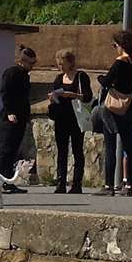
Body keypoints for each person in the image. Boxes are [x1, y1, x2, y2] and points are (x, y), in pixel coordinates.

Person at [96, 31, 132, 196]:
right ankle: (129, 185)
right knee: (129, 147)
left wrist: (101, 78)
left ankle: (109, 185)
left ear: (120, 45)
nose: (114, 49)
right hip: (129, 108)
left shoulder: (119, 63)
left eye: (114, 45)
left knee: (110, 145)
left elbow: (107, 82)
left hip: (113, 108)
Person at [0, 44, 35, 191]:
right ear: (22, 60)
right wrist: (10, 112)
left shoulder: (25, 75)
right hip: (9, 117)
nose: (32, 66)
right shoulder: (11, 72)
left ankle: (8, 181)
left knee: (13, 150)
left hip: (21, 116)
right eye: (31, 63)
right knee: (5, 150)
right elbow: (5, 92)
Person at [46, 50, 92, 194]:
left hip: (76, 117)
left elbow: (87, 96)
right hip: (61, 118)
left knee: (77, 150)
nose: (60, 67)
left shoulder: (80, 76)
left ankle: (76, 183)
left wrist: (72, 95)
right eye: (58, 64)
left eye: (62, 64)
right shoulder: (59, 78)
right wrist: (53, 97)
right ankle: (60, 183)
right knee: (62, 151)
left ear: (70, 62)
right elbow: (55, 94)